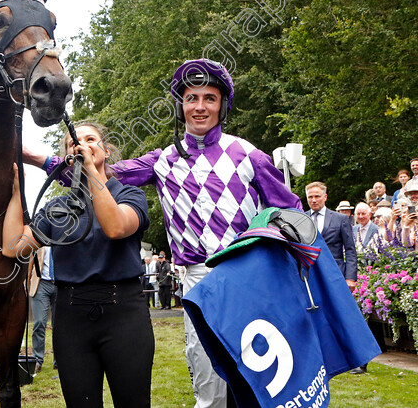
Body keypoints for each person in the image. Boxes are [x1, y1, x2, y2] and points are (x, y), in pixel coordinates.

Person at [25, 59, 301, 408]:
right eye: (191, 98)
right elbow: (94, 171)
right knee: (209, 384)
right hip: (199, 280)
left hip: (248, 277)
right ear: (180, 105)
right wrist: (30, 154)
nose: (200, 107)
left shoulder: (248, 154)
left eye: (209, 98)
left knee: (261, 378)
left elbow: (291, 213)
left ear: (223, 105)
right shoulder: (162, 160)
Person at [5, 123, 153, 408]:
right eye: (75, 143)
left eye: (90, 140)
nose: (81, 145)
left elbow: (115, 227)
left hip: (124, 315)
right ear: (68, 158)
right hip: (72, 318)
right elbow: (14, 247)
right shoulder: (58, 208)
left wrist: (92, 174)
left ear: (106, 151)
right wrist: (15, 192)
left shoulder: (130, 195)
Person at [305, 181, 357, 288]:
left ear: (325, 197)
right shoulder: (301, 219)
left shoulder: (340, 219)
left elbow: (350, 249)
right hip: (310, 274)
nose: (314, 200)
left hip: (335, 273)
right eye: (310, 197)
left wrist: (350, 278)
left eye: (317, 196)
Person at [28, 245, 57, 373]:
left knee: (60, 326)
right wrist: (25, 281)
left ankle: (59, 361)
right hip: (41, 283)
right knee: (39, 322)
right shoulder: (40, 236)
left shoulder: (62, 237)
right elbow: (30, 259)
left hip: (60, 284)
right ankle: (37, 360)